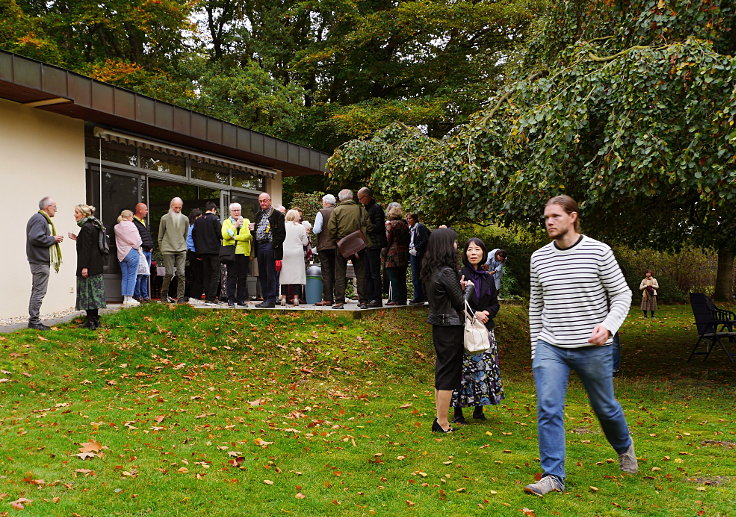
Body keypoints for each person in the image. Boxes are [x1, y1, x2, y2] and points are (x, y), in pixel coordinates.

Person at [524, 195, 637, 497]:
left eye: (555, 216)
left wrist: (609, 326)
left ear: (572, 216)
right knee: (548, 407)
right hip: (551, 346)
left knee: (605, 407)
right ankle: (553, 477)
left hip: (593, 347)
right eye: (546, 217)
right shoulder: (539, 258)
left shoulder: (599, 252)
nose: (549, 221)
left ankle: (624, 446)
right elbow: (536, 307)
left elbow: (623, 295)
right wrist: (537, 349)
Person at [421, 228, 473, 433]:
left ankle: (439, 419)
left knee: (442, 371)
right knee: (448, 375)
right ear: (445, 245)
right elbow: (461, 303)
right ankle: (442, 422)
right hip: (450, 327)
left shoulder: (430, 269)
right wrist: (468, 287)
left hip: (439, 325)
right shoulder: (447, 271)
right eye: (454, 243)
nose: (456, 246)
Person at [451, 238, 503, 424]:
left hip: (485, 330)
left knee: (484, 370)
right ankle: (458, 412)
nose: (473, 252)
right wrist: (475, 314)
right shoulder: (460, 275)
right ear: (465, 253)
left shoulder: (488, 277)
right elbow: (456, 302)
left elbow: (495, 303)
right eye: (470, 249)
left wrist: (487, 312)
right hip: (464, 329)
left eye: (477, 249)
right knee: (463, 371)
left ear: (483, 253)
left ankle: (479, 408)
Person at [26, 196, 64, 330]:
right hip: (39, 261)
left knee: (37, 291)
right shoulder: (39, 219)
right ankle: (34, 321)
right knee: (39, 292)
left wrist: (52, 239)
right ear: (47, 207)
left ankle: (34, 320)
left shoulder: (40, 219)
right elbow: (35, 238)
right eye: (55, 207)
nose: (56, 210)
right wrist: (52, 238)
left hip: (39, 260)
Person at [327, 189, 368, 310]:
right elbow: (366, 226)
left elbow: (331, 228)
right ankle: (363, 300)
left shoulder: (337, 210)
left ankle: (339, 301)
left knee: (340, 273)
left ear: (340, 199)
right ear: (352, 197)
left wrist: (336, 240)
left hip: (342, 244)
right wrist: (362, 240)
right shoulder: (361, 209)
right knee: (361, 273)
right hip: (358, 245)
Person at [69, 204, 106, 329]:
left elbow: (86, 249)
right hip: (96, 264)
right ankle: (95, 320)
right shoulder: (94, 225)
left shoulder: (86, 228)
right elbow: (91, 244)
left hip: (89, 266)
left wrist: (84, 267)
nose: (74, 215)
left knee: (88, 294)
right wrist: (77, 239)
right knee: (94, 294)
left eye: (77, 212)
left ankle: (90, 322)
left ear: (84, 214)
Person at [253, 192, 286, 308]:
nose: (262, 203)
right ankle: (266, 298)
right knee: (262, 273)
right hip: (260, 245)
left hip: (270, 246)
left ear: (269, 201)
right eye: (260, 201)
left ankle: (271, 299)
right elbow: (256, 230)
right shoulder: (258, 215)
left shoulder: (277, 215)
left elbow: (282, 234)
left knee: (270, 273)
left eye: (264, 200)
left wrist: (273, 245)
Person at [358, 187, 387, 308]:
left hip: (374, 244)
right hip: (367, 244)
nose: (360, 201)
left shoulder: (376, 208)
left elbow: (379, 227)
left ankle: (377, 298)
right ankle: (370, 298)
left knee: (374, 273)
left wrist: (366, 227)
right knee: (367, 273)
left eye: (360, 198)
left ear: (366, 196)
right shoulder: (366, 208)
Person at [158, 197, 189, 303]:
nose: (178, 210)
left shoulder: (185, 219)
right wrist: (162, 248)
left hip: (181, 249)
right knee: (169, 273)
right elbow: (160, 235)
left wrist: (183, 246)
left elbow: (185, 235)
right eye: (176, 207)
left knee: (181, 273)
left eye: (180, 208)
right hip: (167, 248)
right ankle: (164, 294)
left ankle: (180, 297)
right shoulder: (164, 218)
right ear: (171, 206)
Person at [221, 202, 252, 307]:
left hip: (243, 253)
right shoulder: (226, 222)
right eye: (234, 210)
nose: (236, 212)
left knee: (242, 277)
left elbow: (248, 236)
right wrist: (235, 226)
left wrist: (235, 237)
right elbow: (225, 235)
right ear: (230, 212)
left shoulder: (246, 221)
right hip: (231, 253)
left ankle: (241, 300)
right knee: (231, 276)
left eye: (238, 210)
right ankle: (230, 299)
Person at [192, 201, 222, 306]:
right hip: (214, 251)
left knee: (206, 274)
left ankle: (207, 295)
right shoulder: (215, 219)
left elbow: (194, 235)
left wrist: (198, 251)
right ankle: (211, 298)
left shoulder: (198, 220)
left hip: (203, 252)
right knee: (215, 274)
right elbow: (220, 233)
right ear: (214, 210)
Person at [280, 209, 309, 306]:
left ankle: (283, 298)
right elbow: (305, 242)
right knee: (296, 275)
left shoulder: (282, 226)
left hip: (285, 252)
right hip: (297, 253)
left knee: (284, 275)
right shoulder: (301, 227)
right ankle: (296, 298)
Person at [114, 210, 142, 306]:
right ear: (129, 216)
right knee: (132, 276)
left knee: (125, 276)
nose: (133, 218)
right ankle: (130, 298)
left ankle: (125, 298)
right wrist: (137, 246)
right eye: (132, 217)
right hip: (131, 252)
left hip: (121, 254)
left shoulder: (116, 227)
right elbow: (138, 240)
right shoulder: (131, 225)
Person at [313, 194, 337, 306]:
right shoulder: (338, 211)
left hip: (324, 246)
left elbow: (316, 230)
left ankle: (328, 298)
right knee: (338, 272)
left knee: (326, 272)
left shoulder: (321, 213)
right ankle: (339, 297)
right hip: (338, 246)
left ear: (326, 203)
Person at [384, 205, 410, 306]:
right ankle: (403, 298)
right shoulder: (404, 225)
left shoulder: (391, 225)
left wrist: (383, 253)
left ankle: (395, 298)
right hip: (403, 253)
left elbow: (388, 240)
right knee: (402, 277)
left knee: (393, 276)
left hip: (392, 254)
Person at [132, 203, 154, 303]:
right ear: (140, 210)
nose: (147, 211)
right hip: (141, 252)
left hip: (148, 251)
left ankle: (145, 296)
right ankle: (138, 295)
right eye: (146, 209)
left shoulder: (144, 222)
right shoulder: (134, 223)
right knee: (139, 274)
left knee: (145, 274)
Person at [407, 212, 430, 305]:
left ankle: (419, 296)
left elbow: (426, 239)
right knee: (415, 275)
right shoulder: (411, 229)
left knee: (417, 275)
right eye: (407, 219)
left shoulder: (419, 227)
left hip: (418, 254)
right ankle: (419, 295)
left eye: (410, 218)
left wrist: (416, 248)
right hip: (412, 253)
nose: (408, 220)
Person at [186, 208, 203, 302]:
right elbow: (197, 241)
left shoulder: (189, 225)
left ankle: (192, 295)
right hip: (195, 251)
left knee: (194, 274)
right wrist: (199, 254)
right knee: (198, 275)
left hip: (190, 251)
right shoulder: (195, 227)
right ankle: (195, 296)